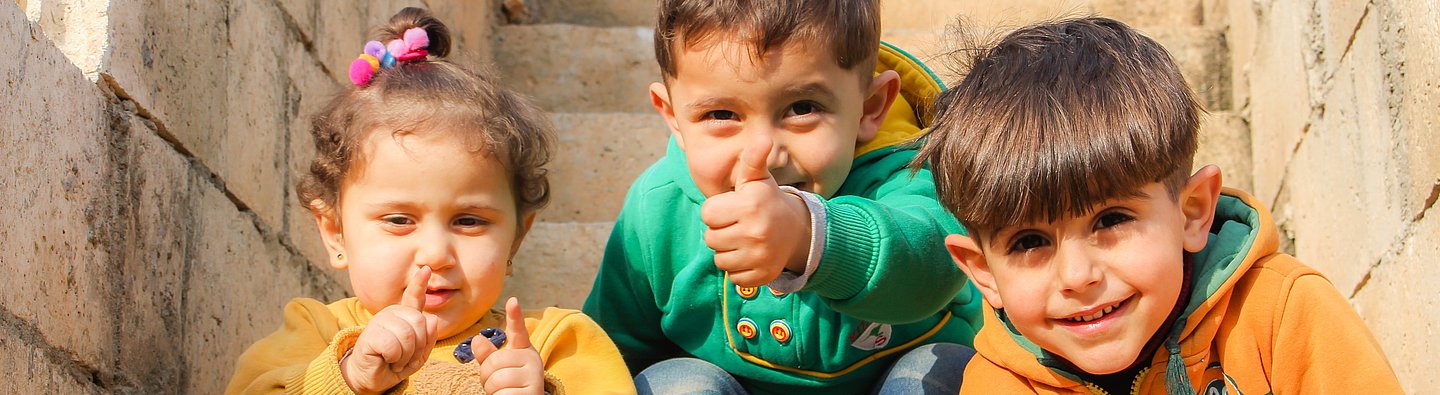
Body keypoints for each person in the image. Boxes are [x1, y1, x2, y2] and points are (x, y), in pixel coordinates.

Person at [915, 16, 1404, 394]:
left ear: (1192, 212)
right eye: (1029, 242)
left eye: (1111, 220)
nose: (1076, 276)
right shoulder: (1000, 382)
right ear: (983, 273)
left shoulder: (1283, 314)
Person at [581, 1, 984, 393]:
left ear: (870, 108)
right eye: (721, 115)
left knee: (940, 369)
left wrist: (809, 236)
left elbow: (928, 269)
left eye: (802, 108)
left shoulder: (915, 175)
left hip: (891, 378)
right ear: (673, 117)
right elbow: (614, 347)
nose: (764, 152)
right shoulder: (656, 207)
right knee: (673, 381)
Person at [225, 7, 633, 394]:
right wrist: (348, 377)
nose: (436, 254)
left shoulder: (557, 344)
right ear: (335, 233)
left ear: (515, 238)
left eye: (469, 221)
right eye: (399, 220)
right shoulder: (315, 333)